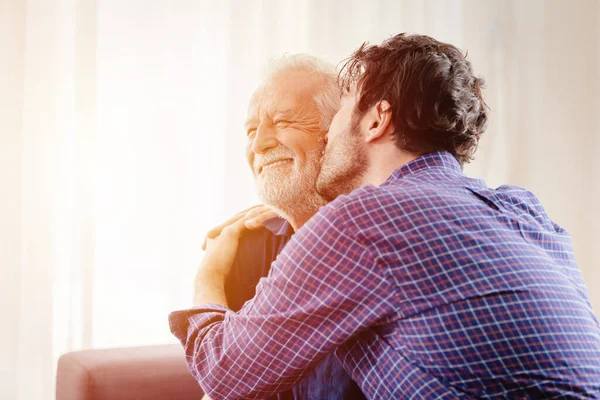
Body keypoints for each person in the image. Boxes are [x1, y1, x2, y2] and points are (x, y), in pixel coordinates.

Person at [171, 33, 600, 399]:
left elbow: (227, 371)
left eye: (341, 112)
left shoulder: (361, 220)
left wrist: (212, 264)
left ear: (377, 119)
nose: (332, 130)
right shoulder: (524, 209)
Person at [200, 55, 365, 399]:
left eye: (283, 121)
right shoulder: (249, 245)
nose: (258, 144)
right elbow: (222, 386)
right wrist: (212, 270)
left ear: (338, 132)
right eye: (250, 130)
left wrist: (207, 279)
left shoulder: (378, 236)